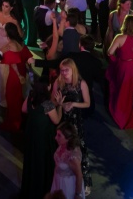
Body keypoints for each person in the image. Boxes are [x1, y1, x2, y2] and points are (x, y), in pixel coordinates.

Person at [51, 58, 92, 195]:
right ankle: (62, 176)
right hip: (63, 121)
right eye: (61, 70)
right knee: (62, 148)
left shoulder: (81, 84)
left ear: (72, 70)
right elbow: (52, 102)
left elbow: (87, 103)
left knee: (79, 150)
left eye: (66, 70)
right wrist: (60, 104)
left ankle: (83, 180)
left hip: (76, 122)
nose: (63, 73)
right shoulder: (58, 82)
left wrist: (73, 104)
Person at [20, 80, 62, 199]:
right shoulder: (47, 103)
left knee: (31, 162)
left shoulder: (31, 97)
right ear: (47, 87)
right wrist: (60, 106)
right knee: (42, 164)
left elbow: (24, 109)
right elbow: (57, 120)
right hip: (42, 138)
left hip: (31, 136)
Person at [107, 14, 133, 129]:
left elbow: (110, 52)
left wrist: (116, 60)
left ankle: (121, 115)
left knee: (123, 91)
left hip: (124, 67)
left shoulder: (119, 37)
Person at [0, 22, 33, 132]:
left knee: (12, 99)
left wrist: (19, 76)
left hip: (15, 77)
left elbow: (13, 64)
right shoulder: (21, 43)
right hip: (22, 72)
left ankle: (14, 123)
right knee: (18, 98)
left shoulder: (10, 45)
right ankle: (18, 121)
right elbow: (28, 59)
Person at [50, 121, 85, 199]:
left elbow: (79, 176)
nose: (55, 138)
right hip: (57, 181)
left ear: (68, 138)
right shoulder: (63, 145)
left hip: (67, 187)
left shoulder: (73, 157)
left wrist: (77, 195)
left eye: (59, 135)